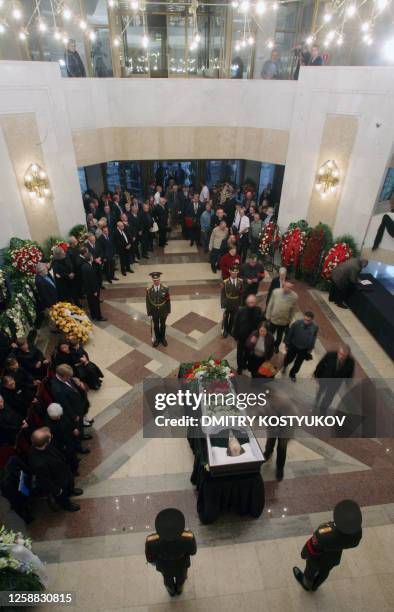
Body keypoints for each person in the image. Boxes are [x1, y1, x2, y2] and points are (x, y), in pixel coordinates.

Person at [293, 499, 362, 591]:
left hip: (317, 559)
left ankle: (306, 584)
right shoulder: (357, 532)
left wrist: (304, 554)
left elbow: (311, 547)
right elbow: (354, 544)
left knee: (310, 571)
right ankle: (315, 586)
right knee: (325, 571)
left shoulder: (324, 534)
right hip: (333, 558)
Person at [29, 428, 83, 512]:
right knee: (62, 495)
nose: (52, 437)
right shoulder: (38, 463)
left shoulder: (43, 445)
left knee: (70, 483)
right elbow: (45, 480)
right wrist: (57, 490)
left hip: (63, 471)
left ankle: (71, 491)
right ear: (45, 442)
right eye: (50, 438)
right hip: (58, 481)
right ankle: (67, 505)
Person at [145, 508, 197, 597]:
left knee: (167, 580)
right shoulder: (188, 537)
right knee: (181, 578)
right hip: (181, 564)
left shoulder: (151, 541)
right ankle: (179, 590)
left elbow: (150, 558)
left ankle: (171, 591)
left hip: (164, 566)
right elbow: (193, 551)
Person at [50, 364, 92, 440]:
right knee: (77, 427)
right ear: (61, 376)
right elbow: (65, 405)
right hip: (74, 411)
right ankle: (80, 440)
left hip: (78, 404)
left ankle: (82, 432)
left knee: (80, 423)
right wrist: (73, 416)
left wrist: (78, 385)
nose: (70, 378)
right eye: (68, 377)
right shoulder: (57, 389)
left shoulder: (66, 377)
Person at [314, 345, 355, 415]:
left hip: (336, 383)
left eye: (344, 355)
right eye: (340, 354)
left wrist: (348, 383)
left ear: (347, 355)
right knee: (321, 389)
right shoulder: (330, 355)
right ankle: (318, 395)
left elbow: (350, 374)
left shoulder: (350, 362)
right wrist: (316, 375)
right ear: (338, 352)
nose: (341, 356)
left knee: (329, 397)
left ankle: (323, 409)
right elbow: (321, 365)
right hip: (325, 379)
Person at [283, 311, 318, 382]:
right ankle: (285, 366)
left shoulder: (315, 327)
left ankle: (292, 373)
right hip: (294, 345)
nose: (306, 322)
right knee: (289, 358)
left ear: (312, 320)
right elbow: (290, 334)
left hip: (304, 349)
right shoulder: (296, 324)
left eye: (308, 320)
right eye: (305, 319)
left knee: (298, 363)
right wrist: (287, 344)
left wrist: (311, 348)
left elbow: (314, 337)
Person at [233, 294, 264, 374]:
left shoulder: (258, 310)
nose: (251, 304)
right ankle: (240, 366)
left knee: (248, 351)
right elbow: (236, 323)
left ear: (256, 302)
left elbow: (260, 323)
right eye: (250, 302)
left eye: (253, 302)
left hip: (252, 337)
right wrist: (235, 336)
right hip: (241, 336)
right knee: (240, 352)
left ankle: (244, 363)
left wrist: (257, 336)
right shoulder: (241, 310)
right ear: (246, 302)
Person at [45, 403, 80, 474]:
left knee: (72, 452)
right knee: (68, 457)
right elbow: (54, 439)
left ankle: (75, 460)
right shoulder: (49, 426)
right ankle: (73, 470)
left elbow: (67, 421)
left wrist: (73, 429)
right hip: (63, 444)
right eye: (57, 417)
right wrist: (62, 446)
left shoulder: (59, 413)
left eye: (59, 416)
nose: (59, 418)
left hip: (69, 438)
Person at [266, 282, 298, 352]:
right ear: (283, 286)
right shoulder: (276, 292)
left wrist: (290, 320)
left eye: (290, 288)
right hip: (273, 318)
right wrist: (268, 315)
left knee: (279, 335)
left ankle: (276, 346)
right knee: (270, 333)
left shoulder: (294, 296)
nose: (287, 289)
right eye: (286, 287)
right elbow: (270, 304)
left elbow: (293, 309)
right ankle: (268, 344)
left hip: (284, 320)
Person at [146, 272, 171, 347]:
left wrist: (168, 311)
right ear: (152, 280)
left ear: (160, 280)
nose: (156, 281)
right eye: (154, 280)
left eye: (157, 280)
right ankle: (157, 339)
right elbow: (148, 302)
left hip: (163, 310)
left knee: (163, 325)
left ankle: (163, 339)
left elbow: (168, 300)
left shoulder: (165, 289)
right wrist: (149, 313)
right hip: (154, 311)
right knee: (156, 325)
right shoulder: (149, 290)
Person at [81, 253, 107, 321]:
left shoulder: (84, 266)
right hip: (92, 289)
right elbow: (92, 281)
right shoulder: (89, 268)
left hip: (87, 289)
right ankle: (99, 317)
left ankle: (93, 315)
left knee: (91, 303)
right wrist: (95, 291)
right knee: (96, 303)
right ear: (90, 258)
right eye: (92, 257)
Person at [220, 265, 243, 338]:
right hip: (228, 302)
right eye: (233, 273)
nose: (234, 274)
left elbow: (241, 294)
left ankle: (230, 330)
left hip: (236, 302)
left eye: (236, 273)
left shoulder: (240, 282)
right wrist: (223, 304)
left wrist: (240, 303)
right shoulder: (225, 282)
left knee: (233, 317)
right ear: (230, 272)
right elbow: (223, 294)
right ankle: (225, 330)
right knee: (226, 317)